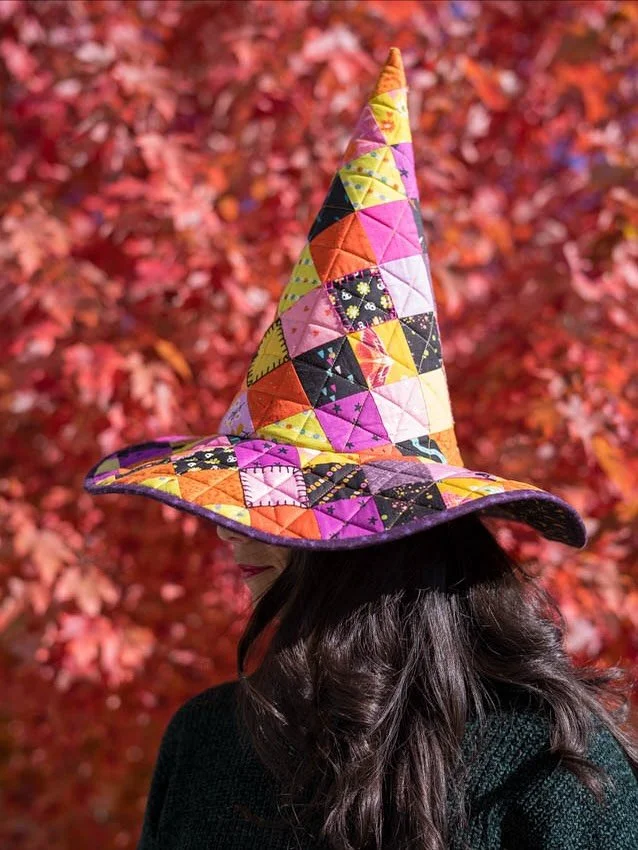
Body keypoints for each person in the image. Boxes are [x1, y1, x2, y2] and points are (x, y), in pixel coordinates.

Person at [83, 48, 638, 849]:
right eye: (245, 503)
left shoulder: (550, 763)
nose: (231, 530)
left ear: (379, 535)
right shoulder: (207, 743)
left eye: (275, 506)